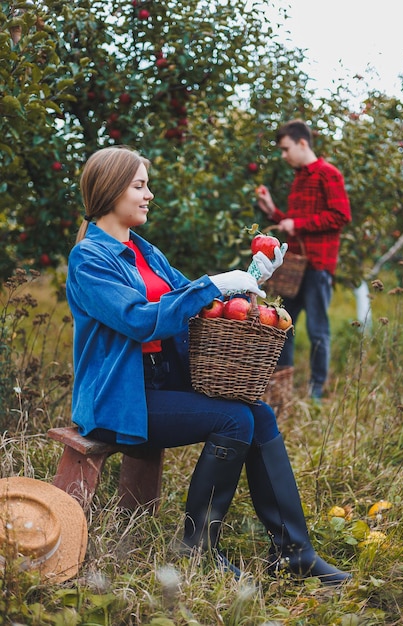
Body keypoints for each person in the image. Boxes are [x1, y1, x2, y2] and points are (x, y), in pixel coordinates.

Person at [66, 145, 351, 586]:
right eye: (140, 186)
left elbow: (198, 298)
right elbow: (137, 320)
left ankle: (294, 553)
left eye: (147, 186)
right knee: (234, 418)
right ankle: (196, 548)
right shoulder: (89, 260)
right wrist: (214, 284)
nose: (149, 195)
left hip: (162, 384)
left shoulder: (144, 251)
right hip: (119, 397)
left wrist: (251, 275)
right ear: (110, 190)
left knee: (257, 411)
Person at [256, 119, 351, 399]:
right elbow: (292, 226)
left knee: (317, 329)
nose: (284, 155)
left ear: (302, 143)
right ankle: (282, 384)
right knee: (283, 323)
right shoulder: (299, 178)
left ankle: (317, 391)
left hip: (318, 266)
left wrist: (296, 224)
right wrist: (274, 211)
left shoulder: (327, 174)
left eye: (286, 149)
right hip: (295, 267)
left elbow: (340, 216)